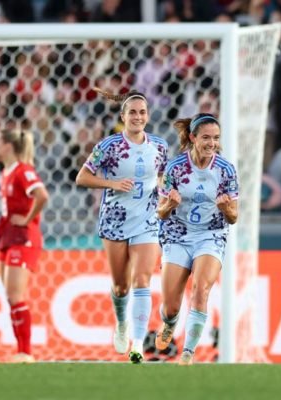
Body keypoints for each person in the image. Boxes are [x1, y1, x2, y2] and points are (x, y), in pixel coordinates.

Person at [75, 89, 168, 364]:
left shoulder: (160, 146)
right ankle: (122, 323)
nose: (138, 117)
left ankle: (137, 344)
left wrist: (167, 193)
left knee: (142, 280)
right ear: (123, 116)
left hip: (147, 221)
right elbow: (82, 178)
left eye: (142, 112)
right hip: (115, 220)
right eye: (132, 112)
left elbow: (161, 178)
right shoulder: (109, 146)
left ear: (148, 116)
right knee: (120, 286)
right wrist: (112, 184)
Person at [155, 113, 238, 365]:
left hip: (210, 235)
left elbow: (234, 217)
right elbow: (159, 211)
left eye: (215, 138)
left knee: (201, 289)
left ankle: (188, 352)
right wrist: (169, 204)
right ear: (192, 138)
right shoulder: (175, 168)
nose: (211, 143)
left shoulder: (225, 170)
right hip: (178, 235)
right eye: (206, 138)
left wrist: (225, 209)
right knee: (171, 306)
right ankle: (169, 323)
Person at [0, 129, 49, 363]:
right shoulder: (6, 172)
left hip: (23, 237)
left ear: (7, 145)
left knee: (15, 294)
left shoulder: (23, 170)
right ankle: (20, 351)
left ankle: (26, 352)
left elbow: (42, 196)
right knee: (9, 295)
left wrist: (28, 219)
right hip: (8, 236)